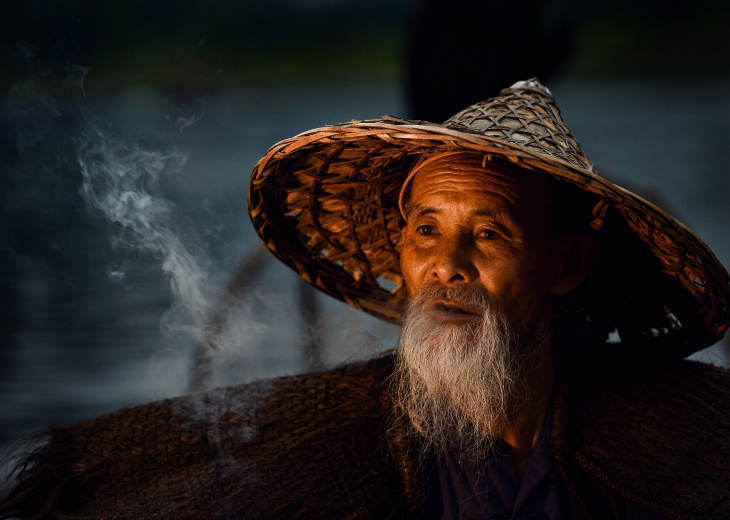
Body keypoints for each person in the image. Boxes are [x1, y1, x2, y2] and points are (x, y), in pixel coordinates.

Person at [2, 79, 730, 519]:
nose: (447, 265)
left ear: (565, 266)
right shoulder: (322, 446)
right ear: (402, 255)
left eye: (490, 233)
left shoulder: (676, 437)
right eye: (426, 230)